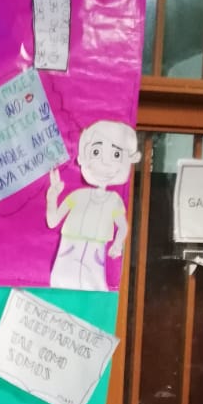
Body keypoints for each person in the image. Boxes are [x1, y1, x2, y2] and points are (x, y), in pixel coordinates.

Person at [46, 120, 140, 290]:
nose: (105, 163)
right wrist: (52, 196)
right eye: (96, 151)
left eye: (116, 154)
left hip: (95, 256)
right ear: (83, 155)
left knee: (95, 291)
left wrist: (118, 244)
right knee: (60, 289)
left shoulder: (113, 201)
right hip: (68, 253)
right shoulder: (78, 196)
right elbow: (53, 221)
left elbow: (123, 226)